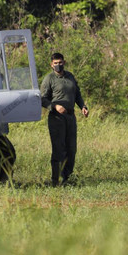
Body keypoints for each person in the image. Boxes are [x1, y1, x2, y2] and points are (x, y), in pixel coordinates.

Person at [40, 53, 89, 187]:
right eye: (55, 63)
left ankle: (67, 177)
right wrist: (55, 106)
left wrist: (83, 106)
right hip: (57, 118)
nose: (58, 65)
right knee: (58, 149)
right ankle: (56, 180)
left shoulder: (70, 76)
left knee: (71, 148)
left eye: (60, 62)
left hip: (70, 117)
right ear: (51, 64)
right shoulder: (49, 79)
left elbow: (77, 93)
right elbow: (42, 99)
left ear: (64, 62)